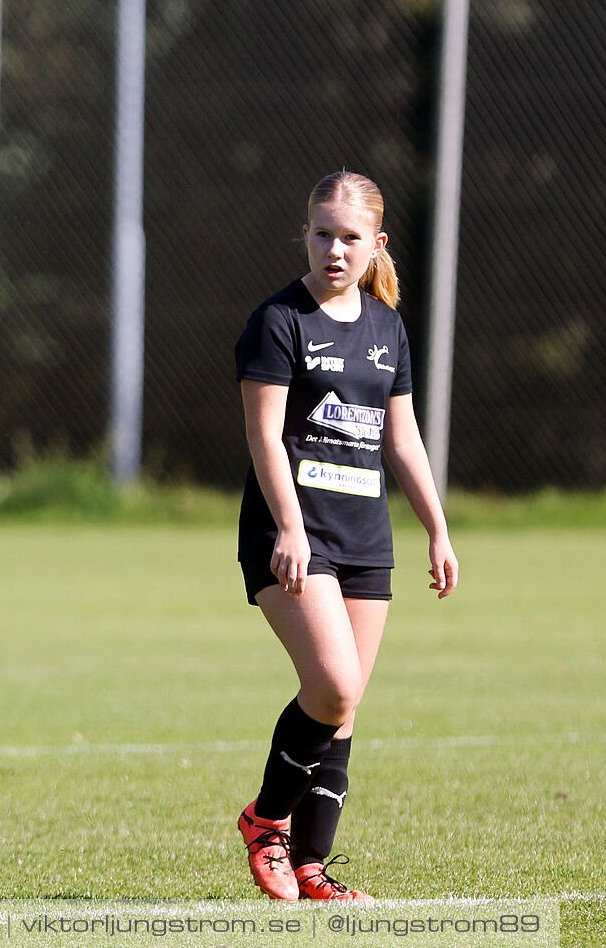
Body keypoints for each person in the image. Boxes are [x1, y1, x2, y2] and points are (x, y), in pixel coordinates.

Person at [233, 170, 458, 902]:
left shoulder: (388, 327)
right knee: (331, 685)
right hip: (292, 534)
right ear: (306, 233)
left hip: (365, 538)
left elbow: (405, 441)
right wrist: (291, 526)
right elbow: (265, 435)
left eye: (350, 237)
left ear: (376, 245)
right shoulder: (278, 321)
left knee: (346, 702)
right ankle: (265, 821)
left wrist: (438, 529)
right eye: (322, 232)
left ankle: (313, 867)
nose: (334, 248)